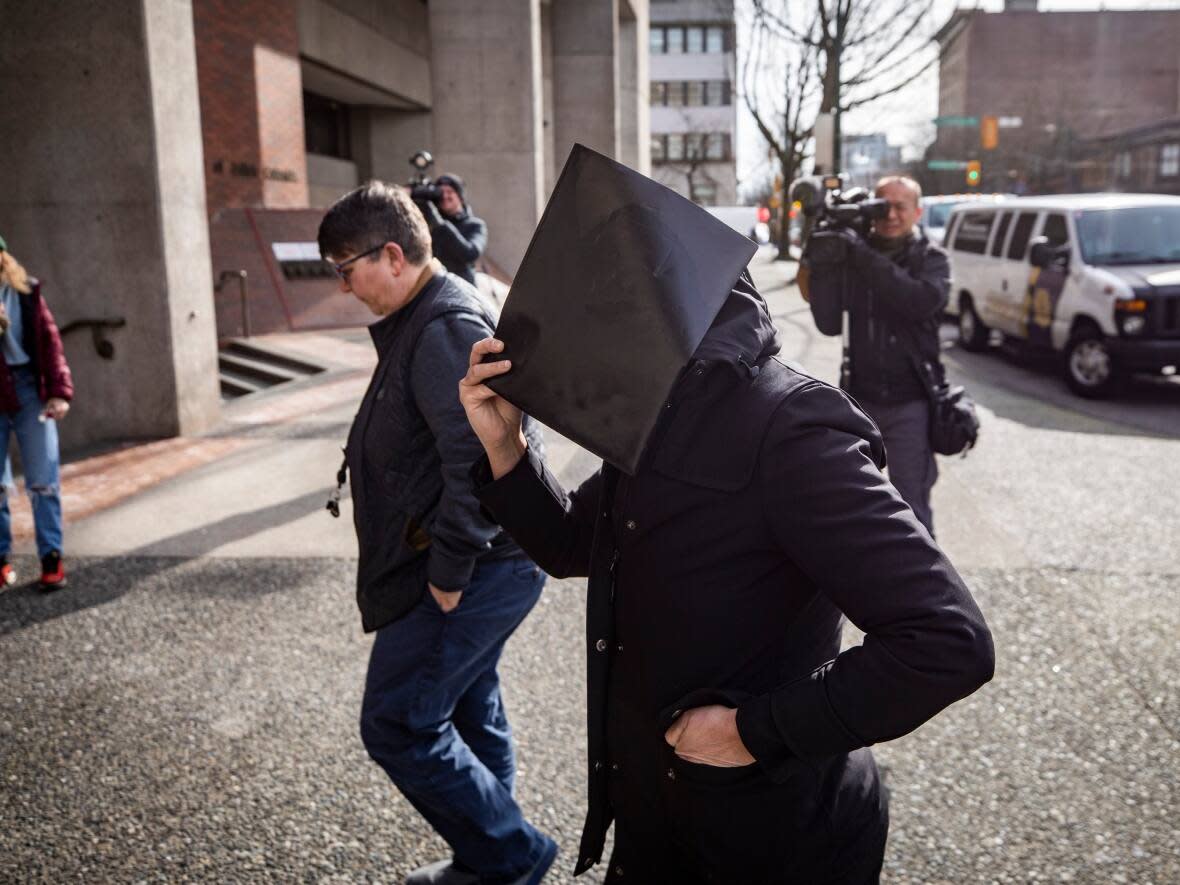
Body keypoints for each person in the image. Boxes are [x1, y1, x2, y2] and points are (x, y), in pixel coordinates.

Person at [457, 270, 994, 883]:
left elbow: (947, 642)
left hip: (769, 836)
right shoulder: (656, 412)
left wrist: (751, 731)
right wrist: (506, 447)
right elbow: (573, 542)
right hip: (656, 818)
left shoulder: (793, 430)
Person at [316, 182, 556, 885]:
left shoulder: (443, 323)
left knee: (399, 720)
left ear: (391, 254)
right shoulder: (422, 316)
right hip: (481, 559)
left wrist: (449, 573)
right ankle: (490, 859)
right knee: (471, 709)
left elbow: (480, 459)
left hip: (476, 566)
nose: (343, 285)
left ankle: (512, 854)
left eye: (345, 267)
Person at [806, 175, 950, 535]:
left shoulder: (932, 259)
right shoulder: (853, 254)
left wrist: (858, 253)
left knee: (910, 507)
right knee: (854, 502)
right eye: (882, 205)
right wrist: (821, 259)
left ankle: (923, 587)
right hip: (859, 399)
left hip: (910, 401)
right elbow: (827, 322)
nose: (890, 215)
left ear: (917, 212)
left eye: (900, 206)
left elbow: (917, 302)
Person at [0, 236, 73, 590]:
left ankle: (51, 559)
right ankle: (1, 561)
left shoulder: (26, 292)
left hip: (30, 388)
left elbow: (51, 341)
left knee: (43, 477)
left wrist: (59, 392)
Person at [414, 173, 488, 287]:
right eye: (440, 192)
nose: (444, 196)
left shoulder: (475, 225)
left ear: (460, 197)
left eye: (450, 192)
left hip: (463, 288)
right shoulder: (429, 222)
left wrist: (440, 225)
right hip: (433, 288)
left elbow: (470, 254)